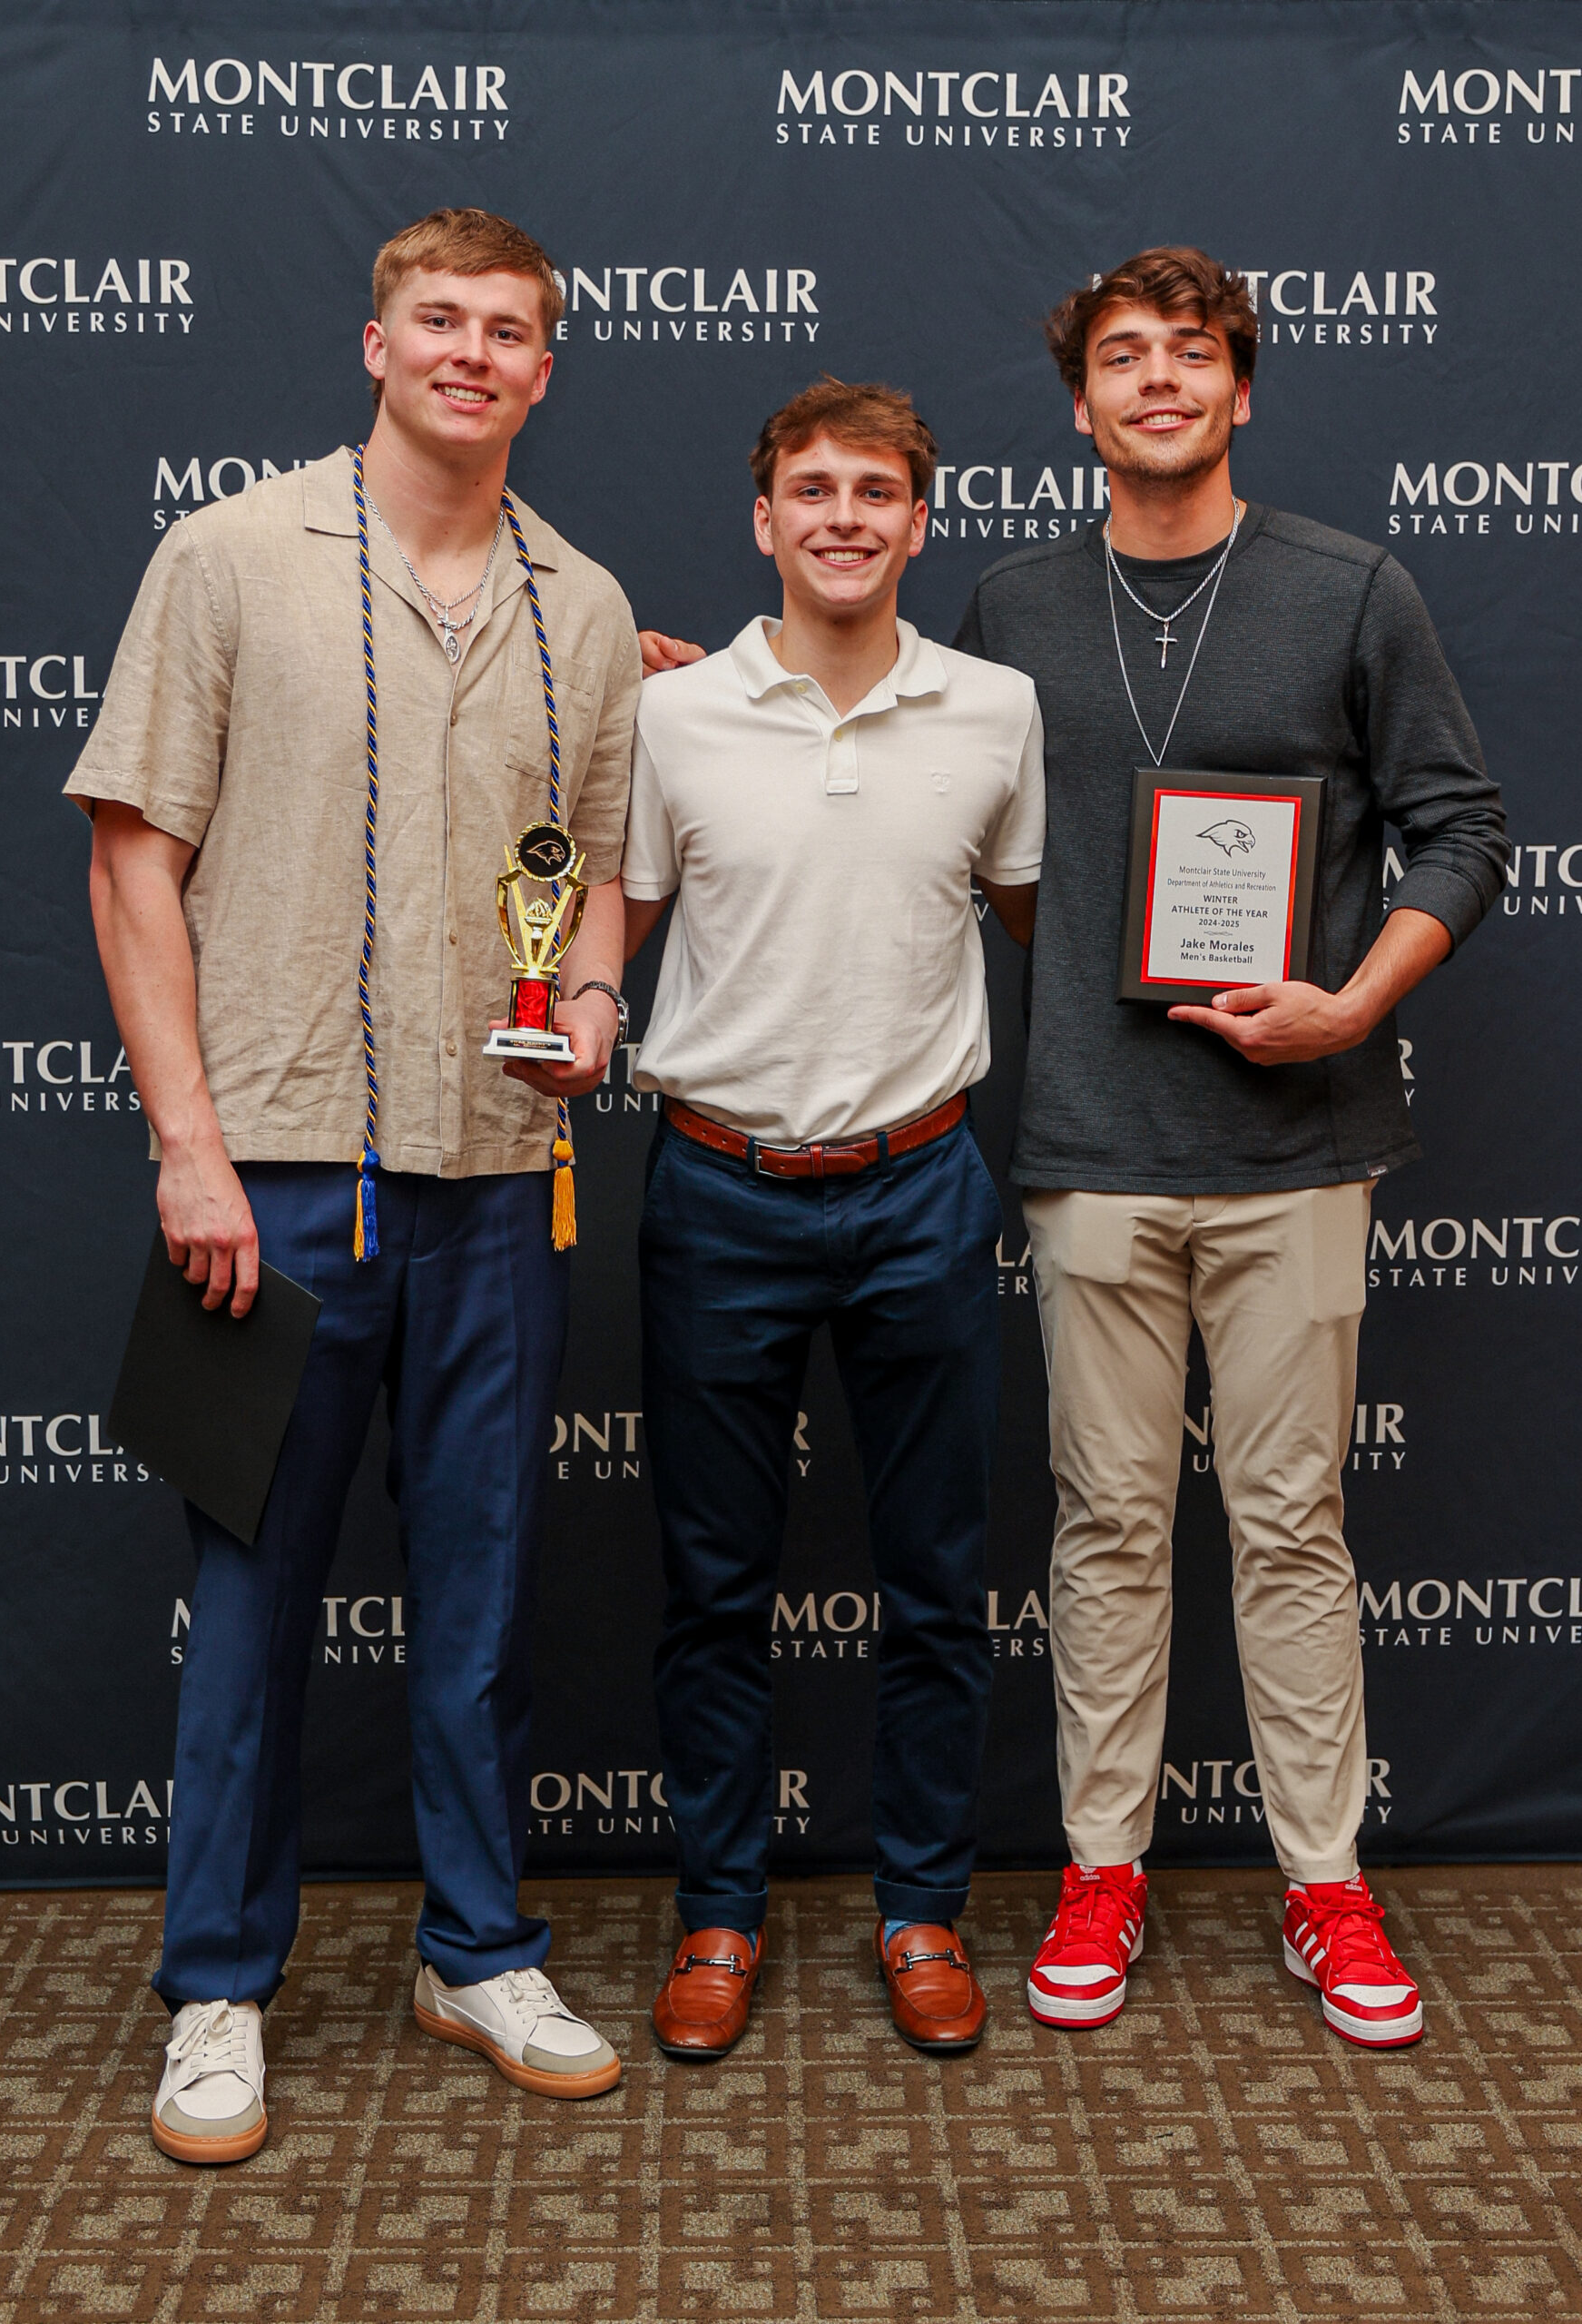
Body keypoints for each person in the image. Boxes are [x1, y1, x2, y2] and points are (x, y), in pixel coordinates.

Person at [68, 208, 641, 2162]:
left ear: (544, 371)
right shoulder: (230, 556)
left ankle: (476, 1944)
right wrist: (191, 1145)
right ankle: (218, 1981)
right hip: (282, 1173)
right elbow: (133, 856)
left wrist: (596, 1002)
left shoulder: (583, 601)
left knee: (480, 1601)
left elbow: (599, 876)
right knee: (249, 1603)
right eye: (439, 321)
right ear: (375, 344)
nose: (472, 352)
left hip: (497, 1175)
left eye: (509, 330)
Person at [952, 247, 1508, 2047]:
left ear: (1241, 389)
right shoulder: (1013, 602)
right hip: (1089, 1143)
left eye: (1192, 355)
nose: (1159, 382)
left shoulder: (1352, 586)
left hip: (1297, 1140)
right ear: (1081, 404)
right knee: (1107, 1522)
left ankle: (1322, 1880)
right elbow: (913, 791)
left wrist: (1352, 1001)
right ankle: (1100, 1865)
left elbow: (1459, 830)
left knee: (1290, 1522)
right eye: (1124, 358)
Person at [622, 378, 1045, 2060]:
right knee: (712, 1586)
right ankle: (719, 1916)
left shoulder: (997, 710)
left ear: (920, 522)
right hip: (719, 1188)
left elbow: (1040, 928)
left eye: (878, 490)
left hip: (924, 1187)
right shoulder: (671, 716)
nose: (845, 515)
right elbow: (604, 928)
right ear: (764, 518)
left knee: (938, 1580)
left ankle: (922, 1911)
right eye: (813, 487)